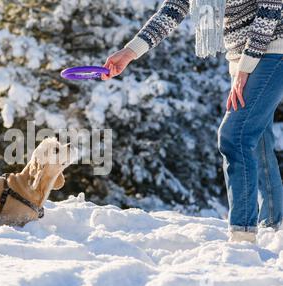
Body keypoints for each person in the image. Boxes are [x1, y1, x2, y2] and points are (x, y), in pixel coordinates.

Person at [102, 0, 283, 243]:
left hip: (272, 50)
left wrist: (246, 65)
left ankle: (243, 236)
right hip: (243, 59)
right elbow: (174, 8)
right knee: (257, 141)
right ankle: (274, 225)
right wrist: (130, 51)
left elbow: (270, 9)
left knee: (235, 136)